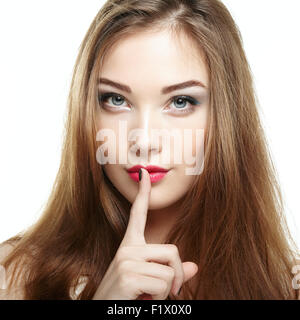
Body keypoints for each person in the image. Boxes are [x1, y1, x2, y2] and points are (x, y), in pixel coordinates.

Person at [0, 0, 299, 300]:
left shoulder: (285, 288)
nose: (143, 141)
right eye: (116, 100)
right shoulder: (15, 276)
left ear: (228, 116)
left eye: (180, 102)